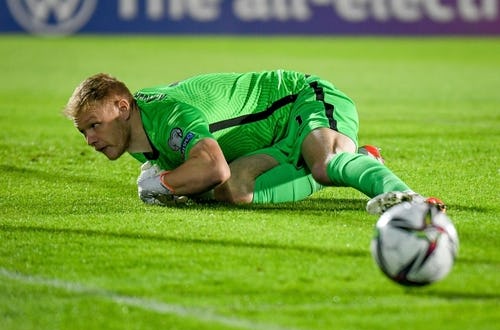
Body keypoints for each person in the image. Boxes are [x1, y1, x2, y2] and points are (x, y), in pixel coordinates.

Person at [63, 70, 445, 214]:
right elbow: (216, 178)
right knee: (231, 191)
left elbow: (211, 164)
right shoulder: (141, 136)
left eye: (94, 125)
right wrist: (175, 183)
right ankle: (361, 160)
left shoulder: (169, 116)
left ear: (122, 106)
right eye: (84, 131)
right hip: (274, 138)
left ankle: (409, 200)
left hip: (302, 98)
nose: (90, 138)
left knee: (326, 164)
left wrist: (163, 182)